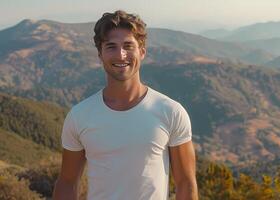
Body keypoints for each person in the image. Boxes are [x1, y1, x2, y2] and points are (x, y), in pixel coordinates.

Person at [53, 10, 198, 200]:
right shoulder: (79, 116)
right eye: (111, 47)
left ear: (142, 52)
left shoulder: (170, 111)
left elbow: (186, 183)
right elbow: (67, 183)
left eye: (128, 46)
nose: (121, 55)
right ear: (100, 55)